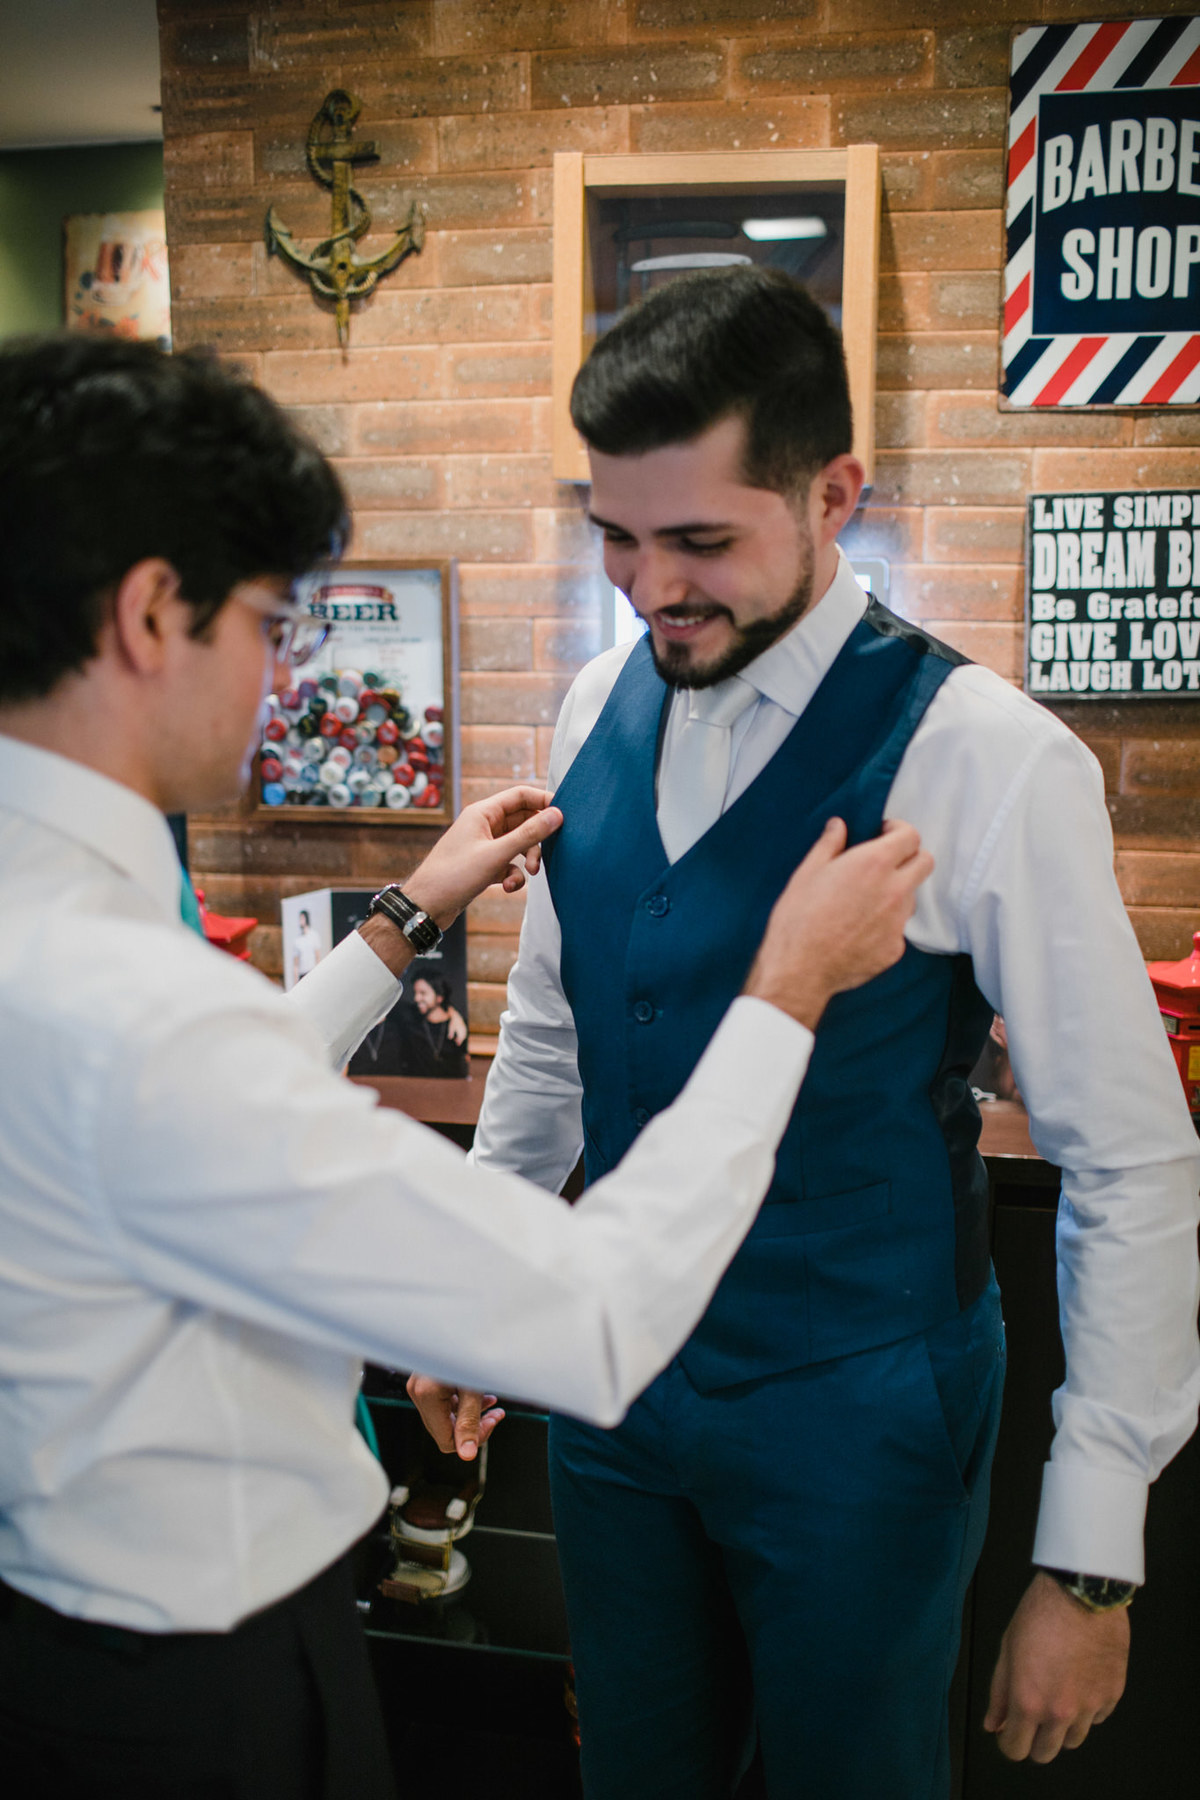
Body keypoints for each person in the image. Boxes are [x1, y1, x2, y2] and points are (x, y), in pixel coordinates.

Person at [0, 332, 932, 1800]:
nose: (280, 667)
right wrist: (785, 990)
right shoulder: (137, 1012)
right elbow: (595, 1315)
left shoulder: (50, 936)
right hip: (179, 1694)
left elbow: (179, 1117)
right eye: (265, 616)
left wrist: (407, 912)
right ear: (148, 615)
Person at [408, 267, 1200, 1798]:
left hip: (862, 1411)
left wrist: (1093, 1561)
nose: (653, 589)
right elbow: (560, 1037)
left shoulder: (989, 756)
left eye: (702, 541)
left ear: (836, 491)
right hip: (616, 1395)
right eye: (617, 539)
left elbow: (1131, 1163)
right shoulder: (590, 705)